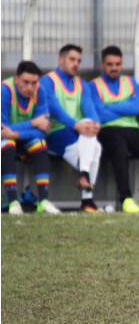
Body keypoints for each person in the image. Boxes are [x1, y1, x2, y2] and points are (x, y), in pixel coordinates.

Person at [90, 45, 139, 213]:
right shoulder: (93, 85)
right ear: (102, 65)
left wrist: (110, 107)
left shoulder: (130, 81)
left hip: (132, 129)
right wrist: (125, 106)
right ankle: (126, 199)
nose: (114, 68)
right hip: (107, 130)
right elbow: (98, 114)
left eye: (117, 64)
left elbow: (137, 108)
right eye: (110, 64)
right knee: (119, 150)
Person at [40, 44, 102, 213]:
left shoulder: (81, 83)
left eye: (79, 61)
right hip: (55, 132)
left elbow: (89, 107)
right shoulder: (48, 81)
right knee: (94, 148)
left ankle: (84, 175)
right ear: (61, 59)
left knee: (94, 142)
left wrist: (95, 124)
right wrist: (78, 126)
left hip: (77, 132)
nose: (76, 64)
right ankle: (87, 200)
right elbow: (54, 109)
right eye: (72, 59)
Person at [1, 61, 60, 215]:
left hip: (22, 138)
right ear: (16, 80)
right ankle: (13, 201)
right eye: (26, 82)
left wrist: (17, 133)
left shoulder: (40, 91)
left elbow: (43, 130)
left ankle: (43, 201)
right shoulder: (5, 90)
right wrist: (33, 123)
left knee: (40, 144)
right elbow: (1, 130)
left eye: (34, 83)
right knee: (6, 144)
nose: (30, 87)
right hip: (6, 139)